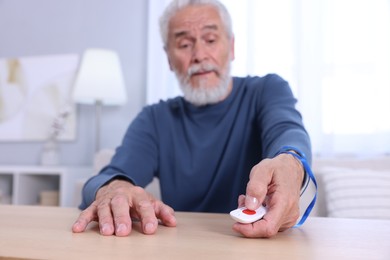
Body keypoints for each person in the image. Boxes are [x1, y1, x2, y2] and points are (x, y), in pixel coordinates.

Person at [72, 0, 312, 238]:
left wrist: (291, 163)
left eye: (210, 40)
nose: (199, 55)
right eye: (185, 44)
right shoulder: (155, 119)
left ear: (231, 46)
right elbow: (105, 178)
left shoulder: (267, 90)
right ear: (168, 58)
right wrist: (114, 189)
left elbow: (288, 131)